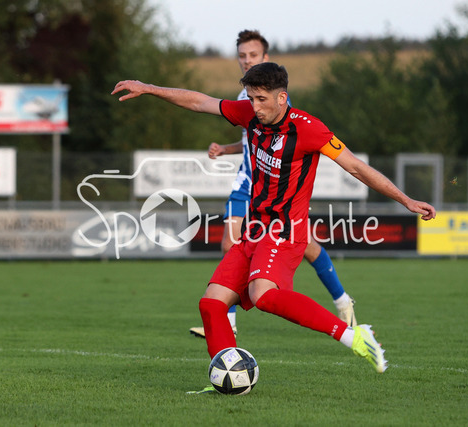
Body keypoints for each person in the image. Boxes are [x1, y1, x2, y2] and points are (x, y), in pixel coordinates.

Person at [111, 62, 436, 380]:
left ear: (282, 98)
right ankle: (228, 377)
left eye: (261, 99)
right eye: (251, 98)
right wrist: (149, 88)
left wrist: (406, 200)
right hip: (253, 231)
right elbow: (199, 101)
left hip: (286, 231)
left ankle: (355, 336)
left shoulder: (309, 128)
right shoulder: (250, 115)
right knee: (211, 304)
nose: (254, 106)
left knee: (263, 294)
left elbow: (356, 167)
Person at [189, 30, 356, 340]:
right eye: (242, 56)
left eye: (252, 55)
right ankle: (228, 320)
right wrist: (226, 149)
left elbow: (281, 144)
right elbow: (250, 138)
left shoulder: (275, 99)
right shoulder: (247, 96)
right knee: (230, 244)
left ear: (265, 57)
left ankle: (342, 300)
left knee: (306, 247)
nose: (246, 60)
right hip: (247, 181)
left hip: (277, 189)